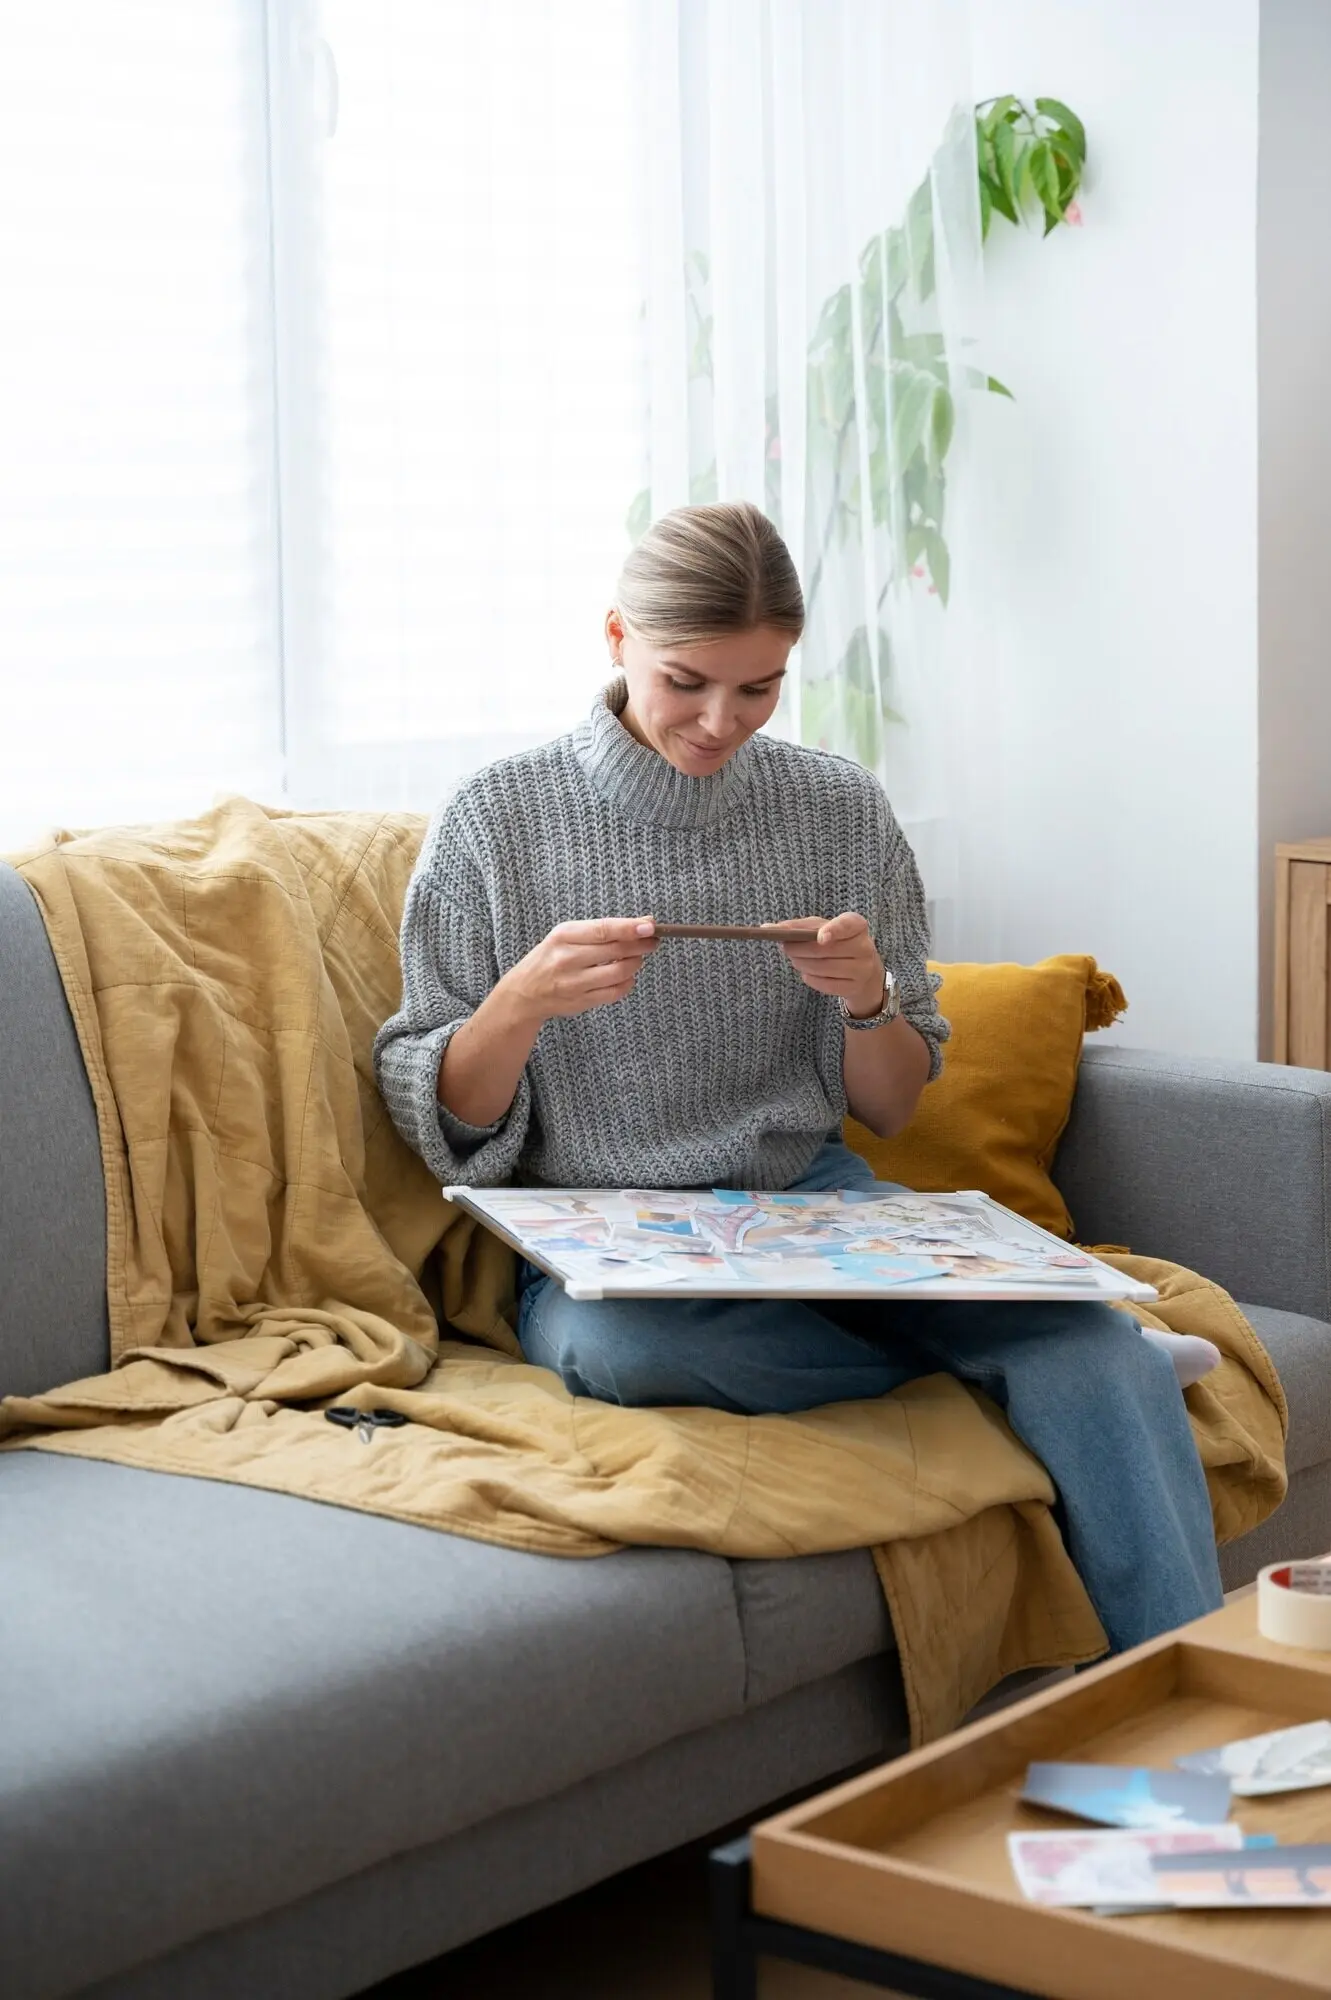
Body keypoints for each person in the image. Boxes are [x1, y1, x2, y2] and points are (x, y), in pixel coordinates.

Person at [374, 500, 1223, 1652]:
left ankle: (1197, 1696)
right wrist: (518, 1002)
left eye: (758, 687)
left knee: (1078, 1341)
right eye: (686, 681)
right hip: (609, 1239)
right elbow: (446, 1122)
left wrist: (867, 997)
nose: (718, 721)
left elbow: (889, 1102)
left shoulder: (835, 808)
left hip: (815, 1205)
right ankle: (1021, 1366)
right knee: (619, 1355)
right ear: (616, 636)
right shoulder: (496, 817)